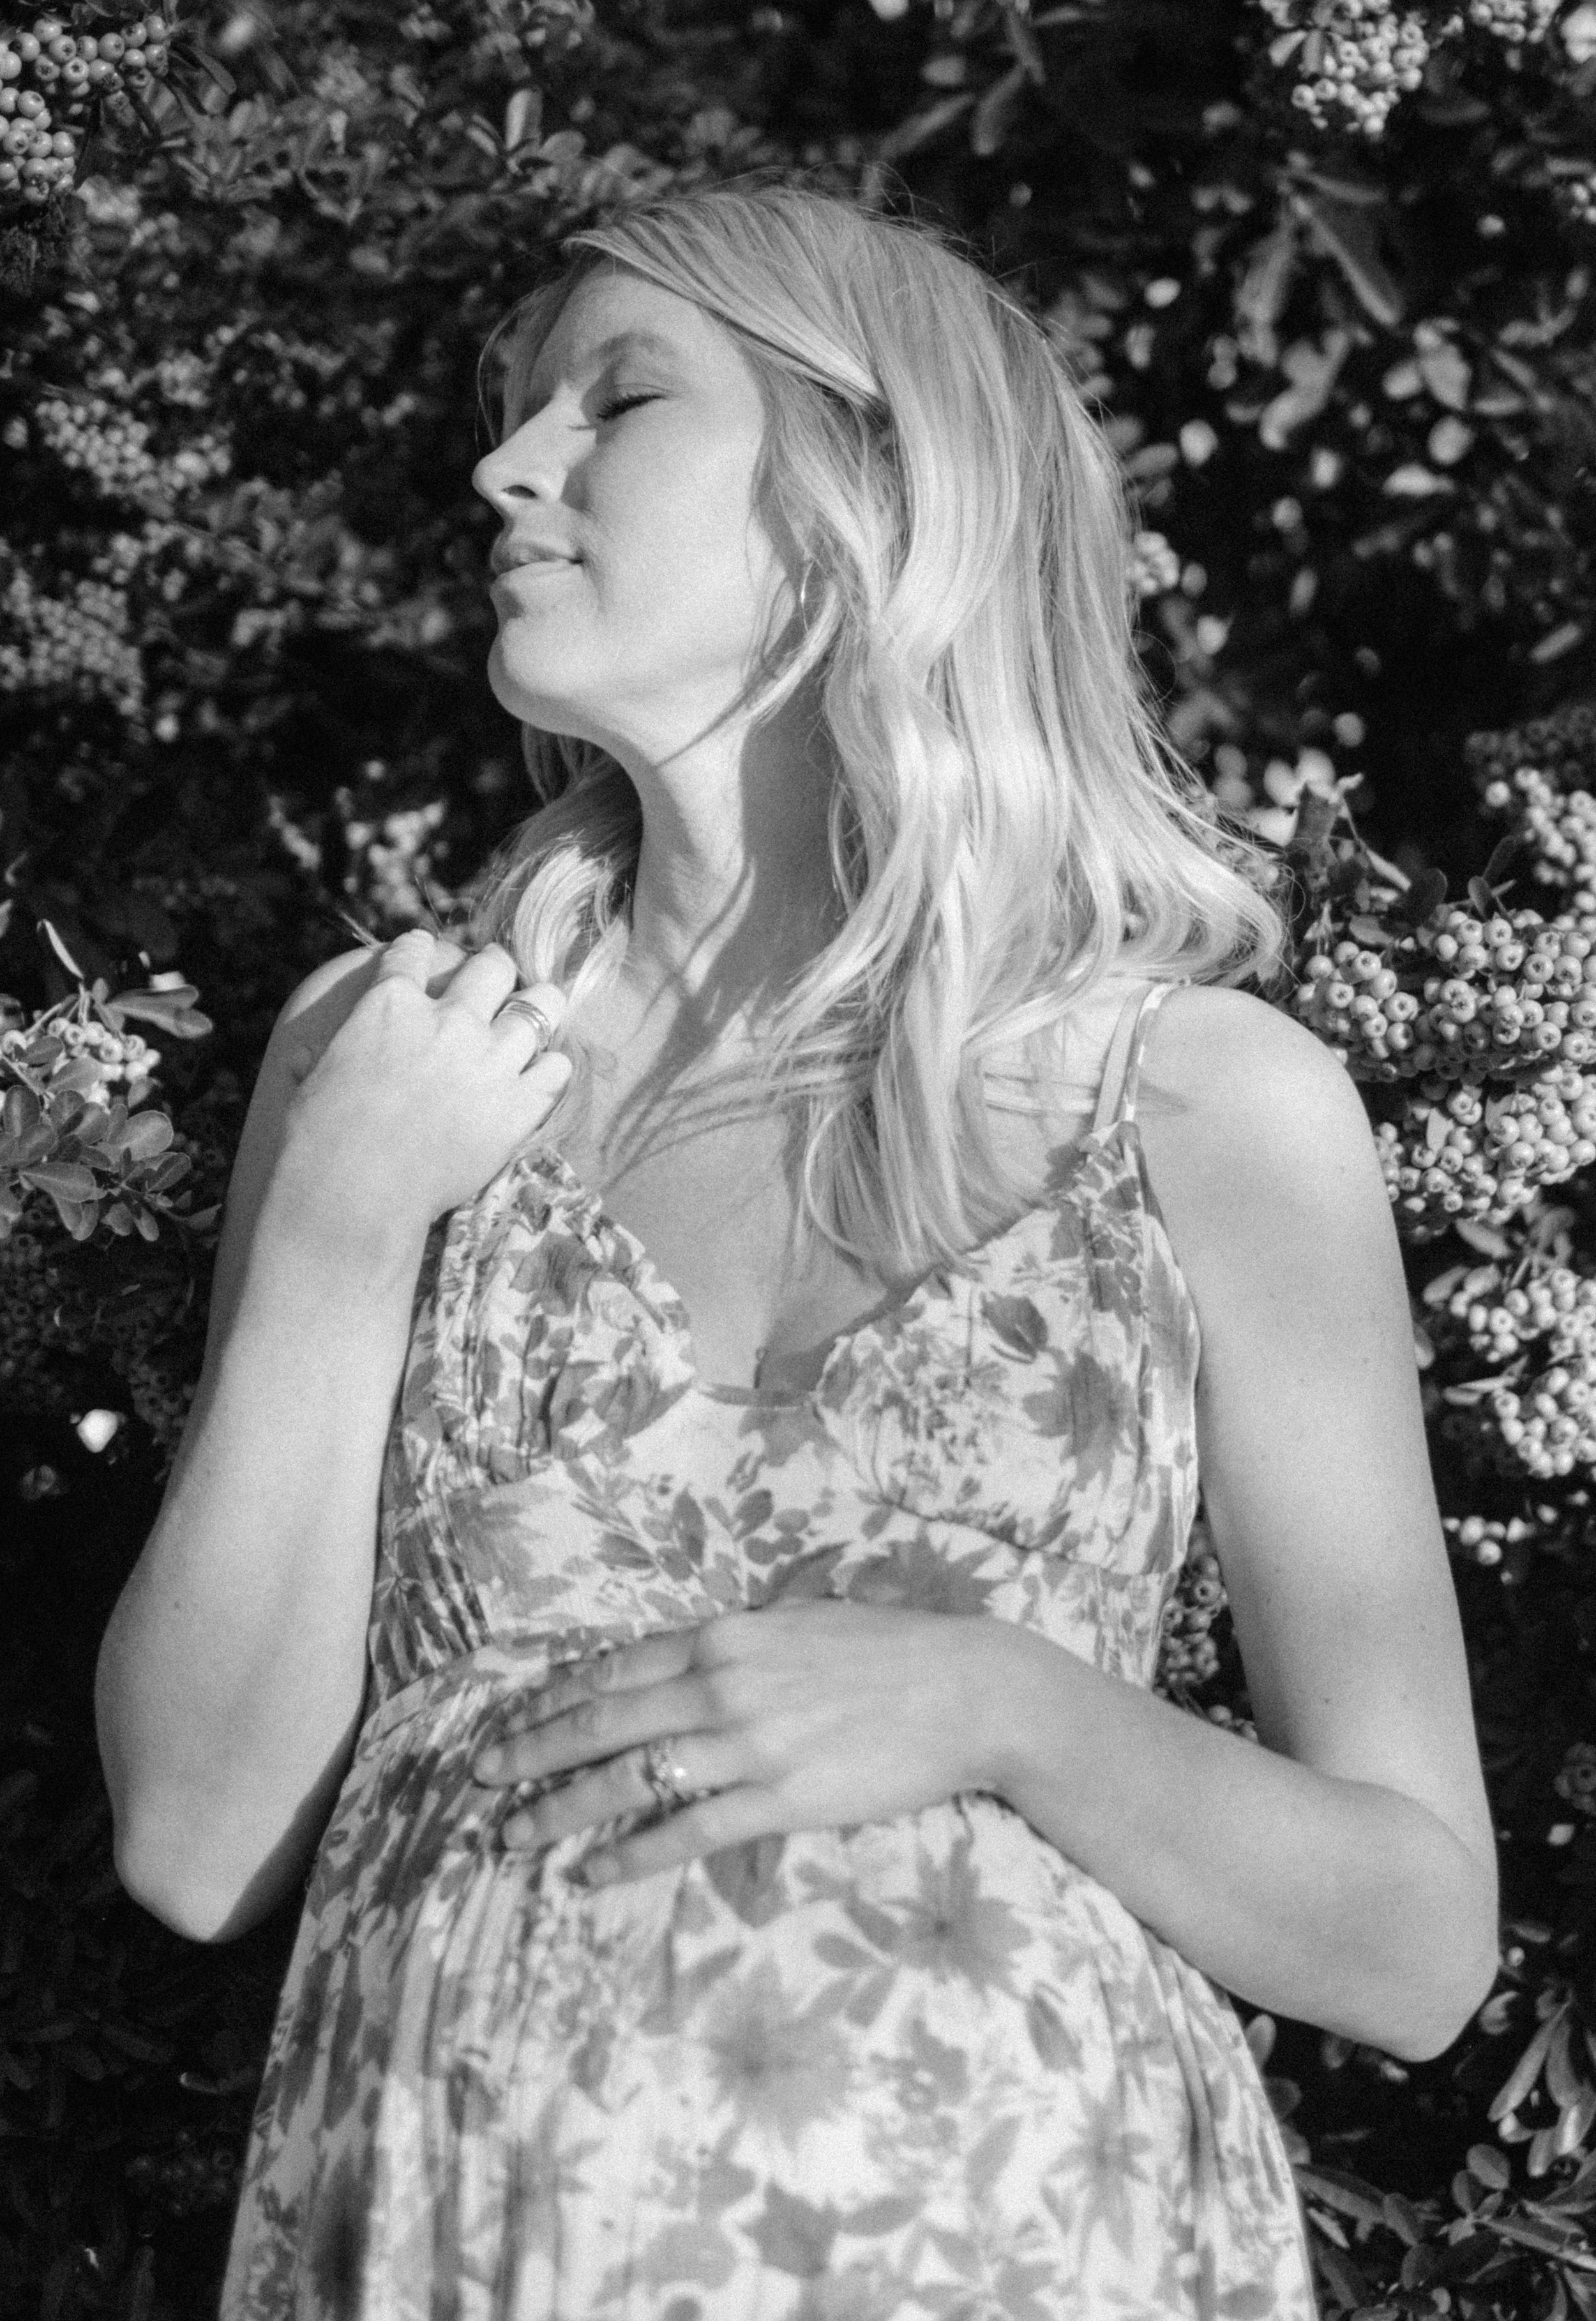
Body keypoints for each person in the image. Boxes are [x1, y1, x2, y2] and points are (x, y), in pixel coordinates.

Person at [94, 179, 1499, 2320]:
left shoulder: (1206, 1107)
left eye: (618, 401)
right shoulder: (394, 1062)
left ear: (869, 500)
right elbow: (197, 1840)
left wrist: (1004, 1706)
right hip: (488, 2249)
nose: (509, 466)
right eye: (515, 409)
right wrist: (338, 1228)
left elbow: (1411, 1941)